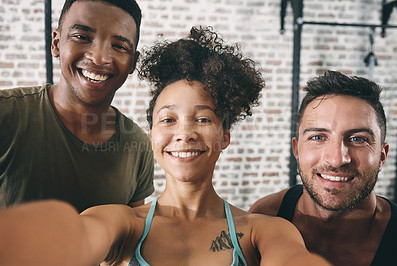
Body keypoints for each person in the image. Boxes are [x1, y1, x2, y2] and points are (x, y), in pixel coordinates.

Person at [0, 26, 330, 266]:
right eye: (168, 120)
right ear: (153, 134)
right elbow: (73, 237)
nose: (183, 134)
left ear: (225, 135)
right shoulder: (122, 224)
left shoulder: (263, 231)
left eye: (202, 119)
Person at [0, 0, 154, 212]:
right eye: (82, 37)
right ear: (56, 43)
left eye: (119, 46)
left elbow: (132, 239)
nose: (99, 58)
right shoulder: (6, 114)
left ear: (133, 63)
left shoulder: (138, 146)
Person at [250, 71, 397, 266]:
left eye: (358, 139)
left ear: (382, 155)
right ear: (297, 149)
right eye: (318, 137)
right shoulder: (266, 215)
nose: (337, 159)